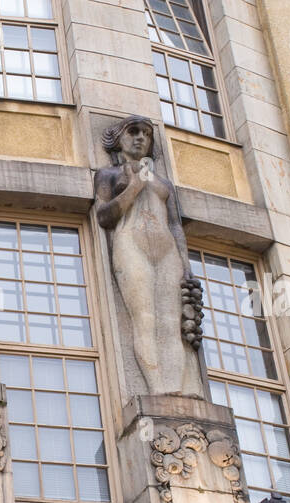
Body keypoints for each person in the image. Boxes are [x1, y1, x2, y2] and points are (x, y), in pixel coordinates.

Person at [93, 115, 204, 398]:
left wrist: (185, 263)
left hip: (167, 252)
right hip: (131, 244)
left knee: (169, 322)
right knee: (145, 319)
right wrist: (134, 187)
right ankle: (157, 389)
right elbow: (104, 215)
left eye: (145, 133)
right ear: (118, 139)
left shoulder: (164, 182)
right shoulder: (108, 175)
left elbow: (175, 225)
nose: (140, 138)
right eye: (133, 132)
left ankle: (177, 389)